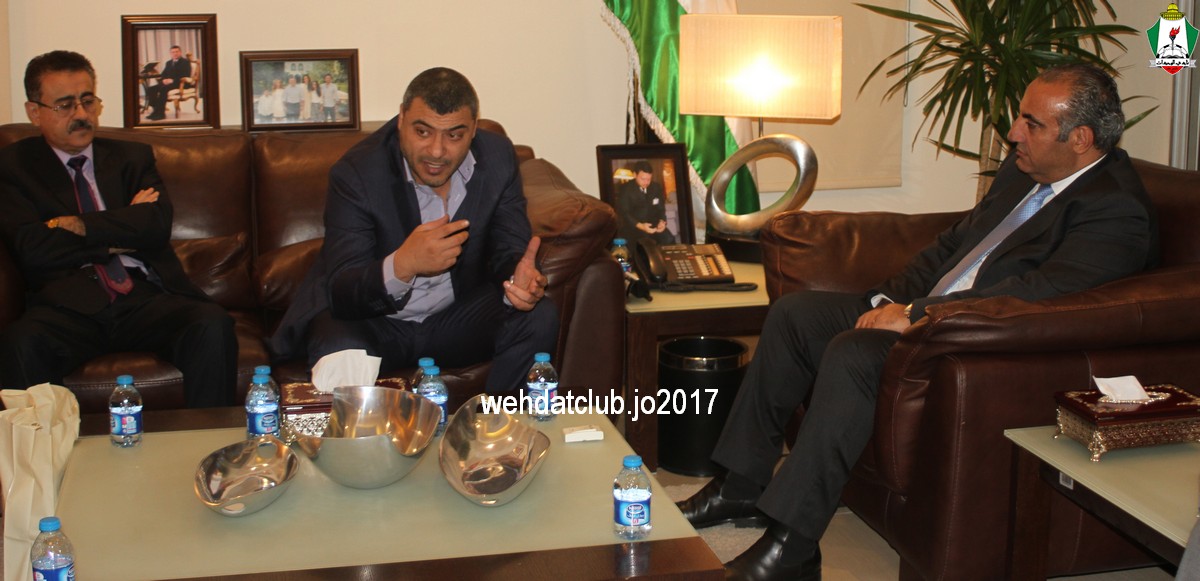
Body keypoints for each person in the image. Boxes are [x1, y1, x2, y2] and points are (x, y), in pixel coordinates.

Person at [676, 63, 1158, 580]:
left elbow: (1035, 296)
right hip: (928, 312)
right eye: (1020, 117)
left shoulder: (1115, 210)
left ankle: (792, 545)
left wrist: (914, 315)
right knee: (795, 315)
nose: (1013, 133)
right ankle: (740, 486)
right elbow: (954, 246)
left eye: (1031, 123)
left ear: (1080, 139)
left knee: (854, 353)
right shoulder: (1025, 171)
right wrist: (887, 300)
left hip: (968, 339)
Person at [268, 67, 558, 394]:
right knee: (340, 350)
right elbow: (343, 288)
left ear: (474, 129)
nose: (436, 151)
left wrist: (518, 280)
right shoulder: (357, 173)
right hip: (374, 325)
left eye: (454, 136)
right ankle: (359, 430)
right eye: (423, 132)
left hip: (453, 320)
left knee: (538, 315)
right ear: (401, 119)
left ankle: (500, 422)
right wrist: (404, 264)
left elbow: (509, 249)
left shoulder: (497, 157)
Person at [0, 50, 237, 408]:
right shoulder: (14, 167)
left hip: (144, 298)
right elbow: (33, 248)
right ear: (35, 112)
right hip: (67, 305)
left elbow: (155, 227)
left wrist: (77, 225)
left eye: (87, 101)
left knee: (211, 324)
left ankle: (208, 438)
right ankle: (43, 445)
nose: (81, 114)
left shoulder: (132, 158)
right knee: (21, 342)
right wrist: (121, 228)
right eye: (65, 105)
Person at [616, 161, 675, 245]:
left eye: (649, 179)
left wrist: (662, 222)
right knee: (643, 246)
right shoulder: (625, 189)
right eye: (643, 179)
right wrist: (641, 226)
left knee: (669, 240)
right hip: (634, 227)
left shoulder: (656, 187)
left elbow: (661, 209)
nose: (646, 182)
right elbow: (625, 213)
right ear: (635, 175)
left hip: (654, 225)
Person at [145, 45, 190, 121]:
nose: (175, 53)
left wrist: (172, 80)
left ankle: (160, 114)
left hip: (179, 83)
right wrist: (163, 80)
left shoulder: (185, 62)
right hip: (168, 83)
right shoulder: (168, 63)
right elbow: (163, 74)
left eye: (177, 52)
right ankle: (156, 111)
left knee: (163, 89)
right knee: (150, 89)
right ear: (170, 53)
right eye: (173, 52)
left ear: (180, 52)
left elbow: (186, 75)